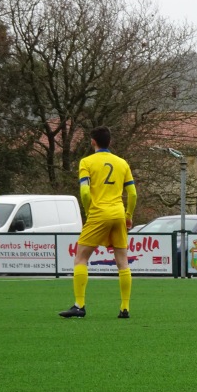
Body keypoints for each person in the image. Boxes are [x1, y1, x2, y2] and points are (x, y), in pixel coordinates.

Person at [59, 126, 137, 319]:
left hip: (99, 213)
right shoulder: (122, 163)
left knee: (81, 258)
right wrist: (128, 214)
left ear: (92, 141)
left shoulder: (86, 162)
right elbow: (133, 193)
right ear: (109, 142)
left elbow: (85, 192)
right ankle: (124, 308)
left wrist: (88, 210)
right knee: (122, 262)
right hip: (118, 213)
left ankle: (79, 305)